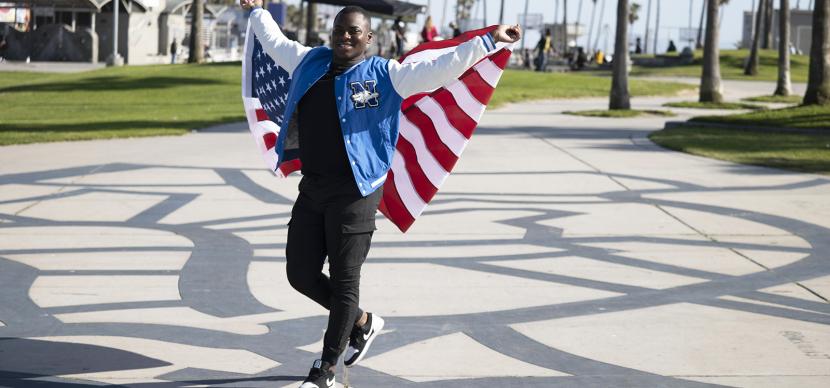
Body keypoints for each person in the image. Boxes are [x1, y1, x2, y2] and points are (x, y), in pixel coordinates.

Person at [239, 1, 522, 387]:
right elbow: (273, 42)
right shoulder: (309, 61)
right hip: (314, 186)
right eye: (340, 30)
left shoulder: (386, 74)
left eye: (354, 31)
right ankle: (362, 321)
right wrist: (257, 10)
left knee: (343, 282)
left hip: (356, 191)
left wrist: (487, 41)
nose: (346, 36)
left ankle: (325, 373)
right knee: (299, 273)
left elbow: (440, 69)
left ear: (368, 38)